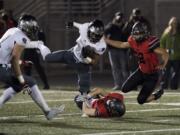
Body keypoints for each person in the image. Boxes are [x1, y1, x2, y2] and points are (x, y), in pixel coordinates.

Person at [0, 14, 64, 120]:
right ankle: (48, 112)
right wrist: (21, 79)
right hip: (1, 67)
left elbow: (9, 51)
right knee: (30, 82)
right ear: (27, 26)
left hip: (2, 65)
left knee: (17, 86)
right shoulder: (22, 37)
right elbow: (14, 59)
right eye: (33, 27)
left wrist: (37, 45)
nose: (34, 29)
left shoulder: (13, 30)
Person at [105, 22, 169, 105]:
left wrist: (163, 64)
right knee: (124, 88)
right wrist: (107, 40)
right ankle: (145, 87)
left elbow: (165, 53)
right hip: (141, 72)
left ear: (144, 33)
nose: (137, 36)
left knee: (141, 100)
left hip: (151, 76)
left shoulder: (148, 44)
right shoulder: (133, 41)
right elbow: (121, 44)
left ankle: (156, 95)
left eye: (139, 34)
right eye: (135, 34)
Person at [40, 19, 106, 95]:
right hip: (71, 54)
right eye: (93, 34)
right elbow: (78, 25)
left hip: (83, 65)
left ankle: (87, 102)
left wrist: (86, 59)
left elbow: (95, 62)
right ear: (88, 30)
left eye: (97, 35)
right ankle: (39, 44)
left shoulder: (101, 45)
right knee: (47, 57)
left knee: (84, 92)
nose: (94, 37)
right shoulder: (84, 27)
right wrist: (71, 23)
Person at [104, 11, 129, 90]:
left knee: (124, 68)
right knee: (115, 68)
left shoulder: (125, 26)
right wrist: (113, 24)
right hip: (112, 50)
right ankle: (118, 84)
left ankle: (127, 84)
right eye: (118, 18)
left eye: (120, 18)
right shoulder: (111, 26)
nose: (119, 20)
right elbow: (104, 32)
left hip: (122, 50)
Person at [123, 8, 152, 74]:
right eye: (135, 15)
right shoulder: (130, 22)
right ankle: (133, 80)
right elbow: (124, 32)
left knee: (143, 65)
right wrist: (130, 22)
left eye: (138, 15)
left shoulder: (144, 22)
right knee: (132, 66)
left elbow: (149, 32)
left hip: (142, 47)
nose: (136, 16)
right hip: (132, 48)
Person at [160, 17, 180, 90]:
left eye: (175, 23)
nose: (174, 24)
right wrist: (164, 50)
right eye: (173, 23)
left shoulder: (179, 33)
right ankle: (163, 87)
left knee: (175, 73)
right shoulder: (166, 32)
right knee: (165, 72)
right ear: (170, 23)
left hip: (177, 56)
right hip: (167, 56)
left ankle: (173, 87)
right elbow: (162, 42)